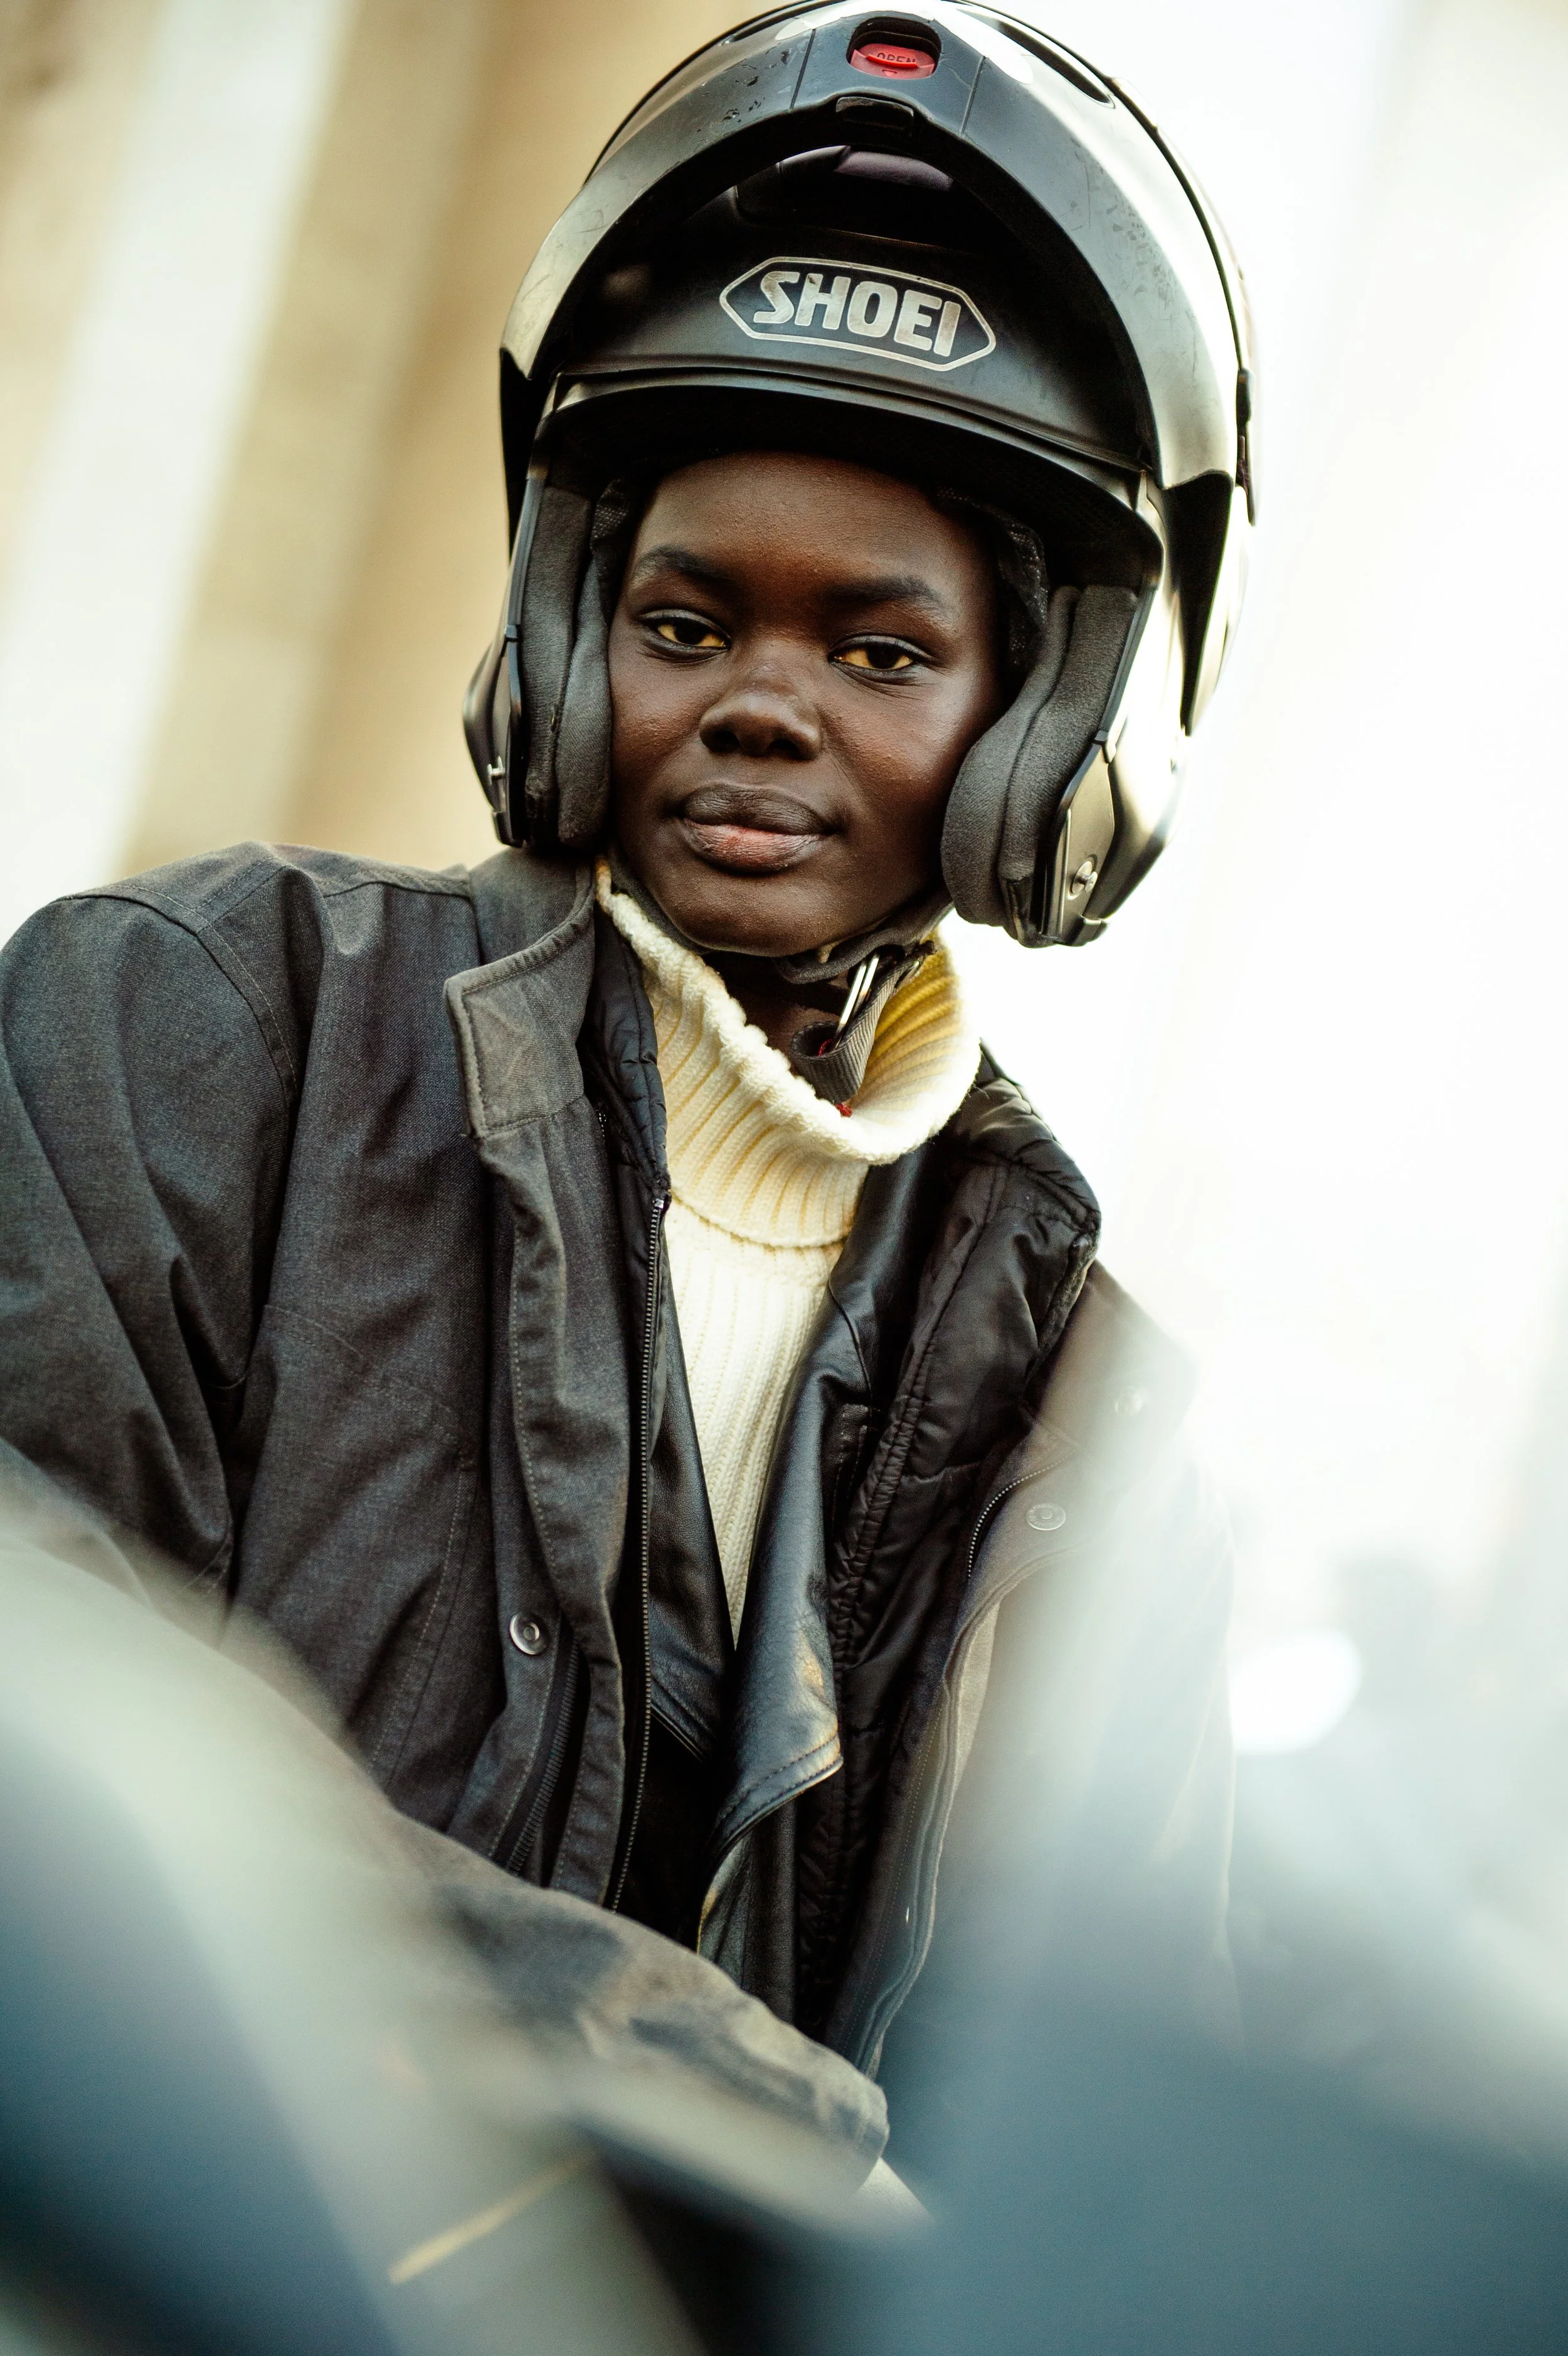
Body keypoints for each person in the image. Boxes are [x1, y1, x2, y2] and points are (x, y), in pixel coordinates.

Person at [0, 4, 1250, 2081]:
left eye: (881, 650)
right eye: (683, 624)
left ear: (1041, 739)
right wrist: (626, 2035)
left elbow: (1118, 2111)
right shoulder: (199, 1020)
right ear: (569, 646)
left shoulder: (1099, 1431)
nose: (761, 702)